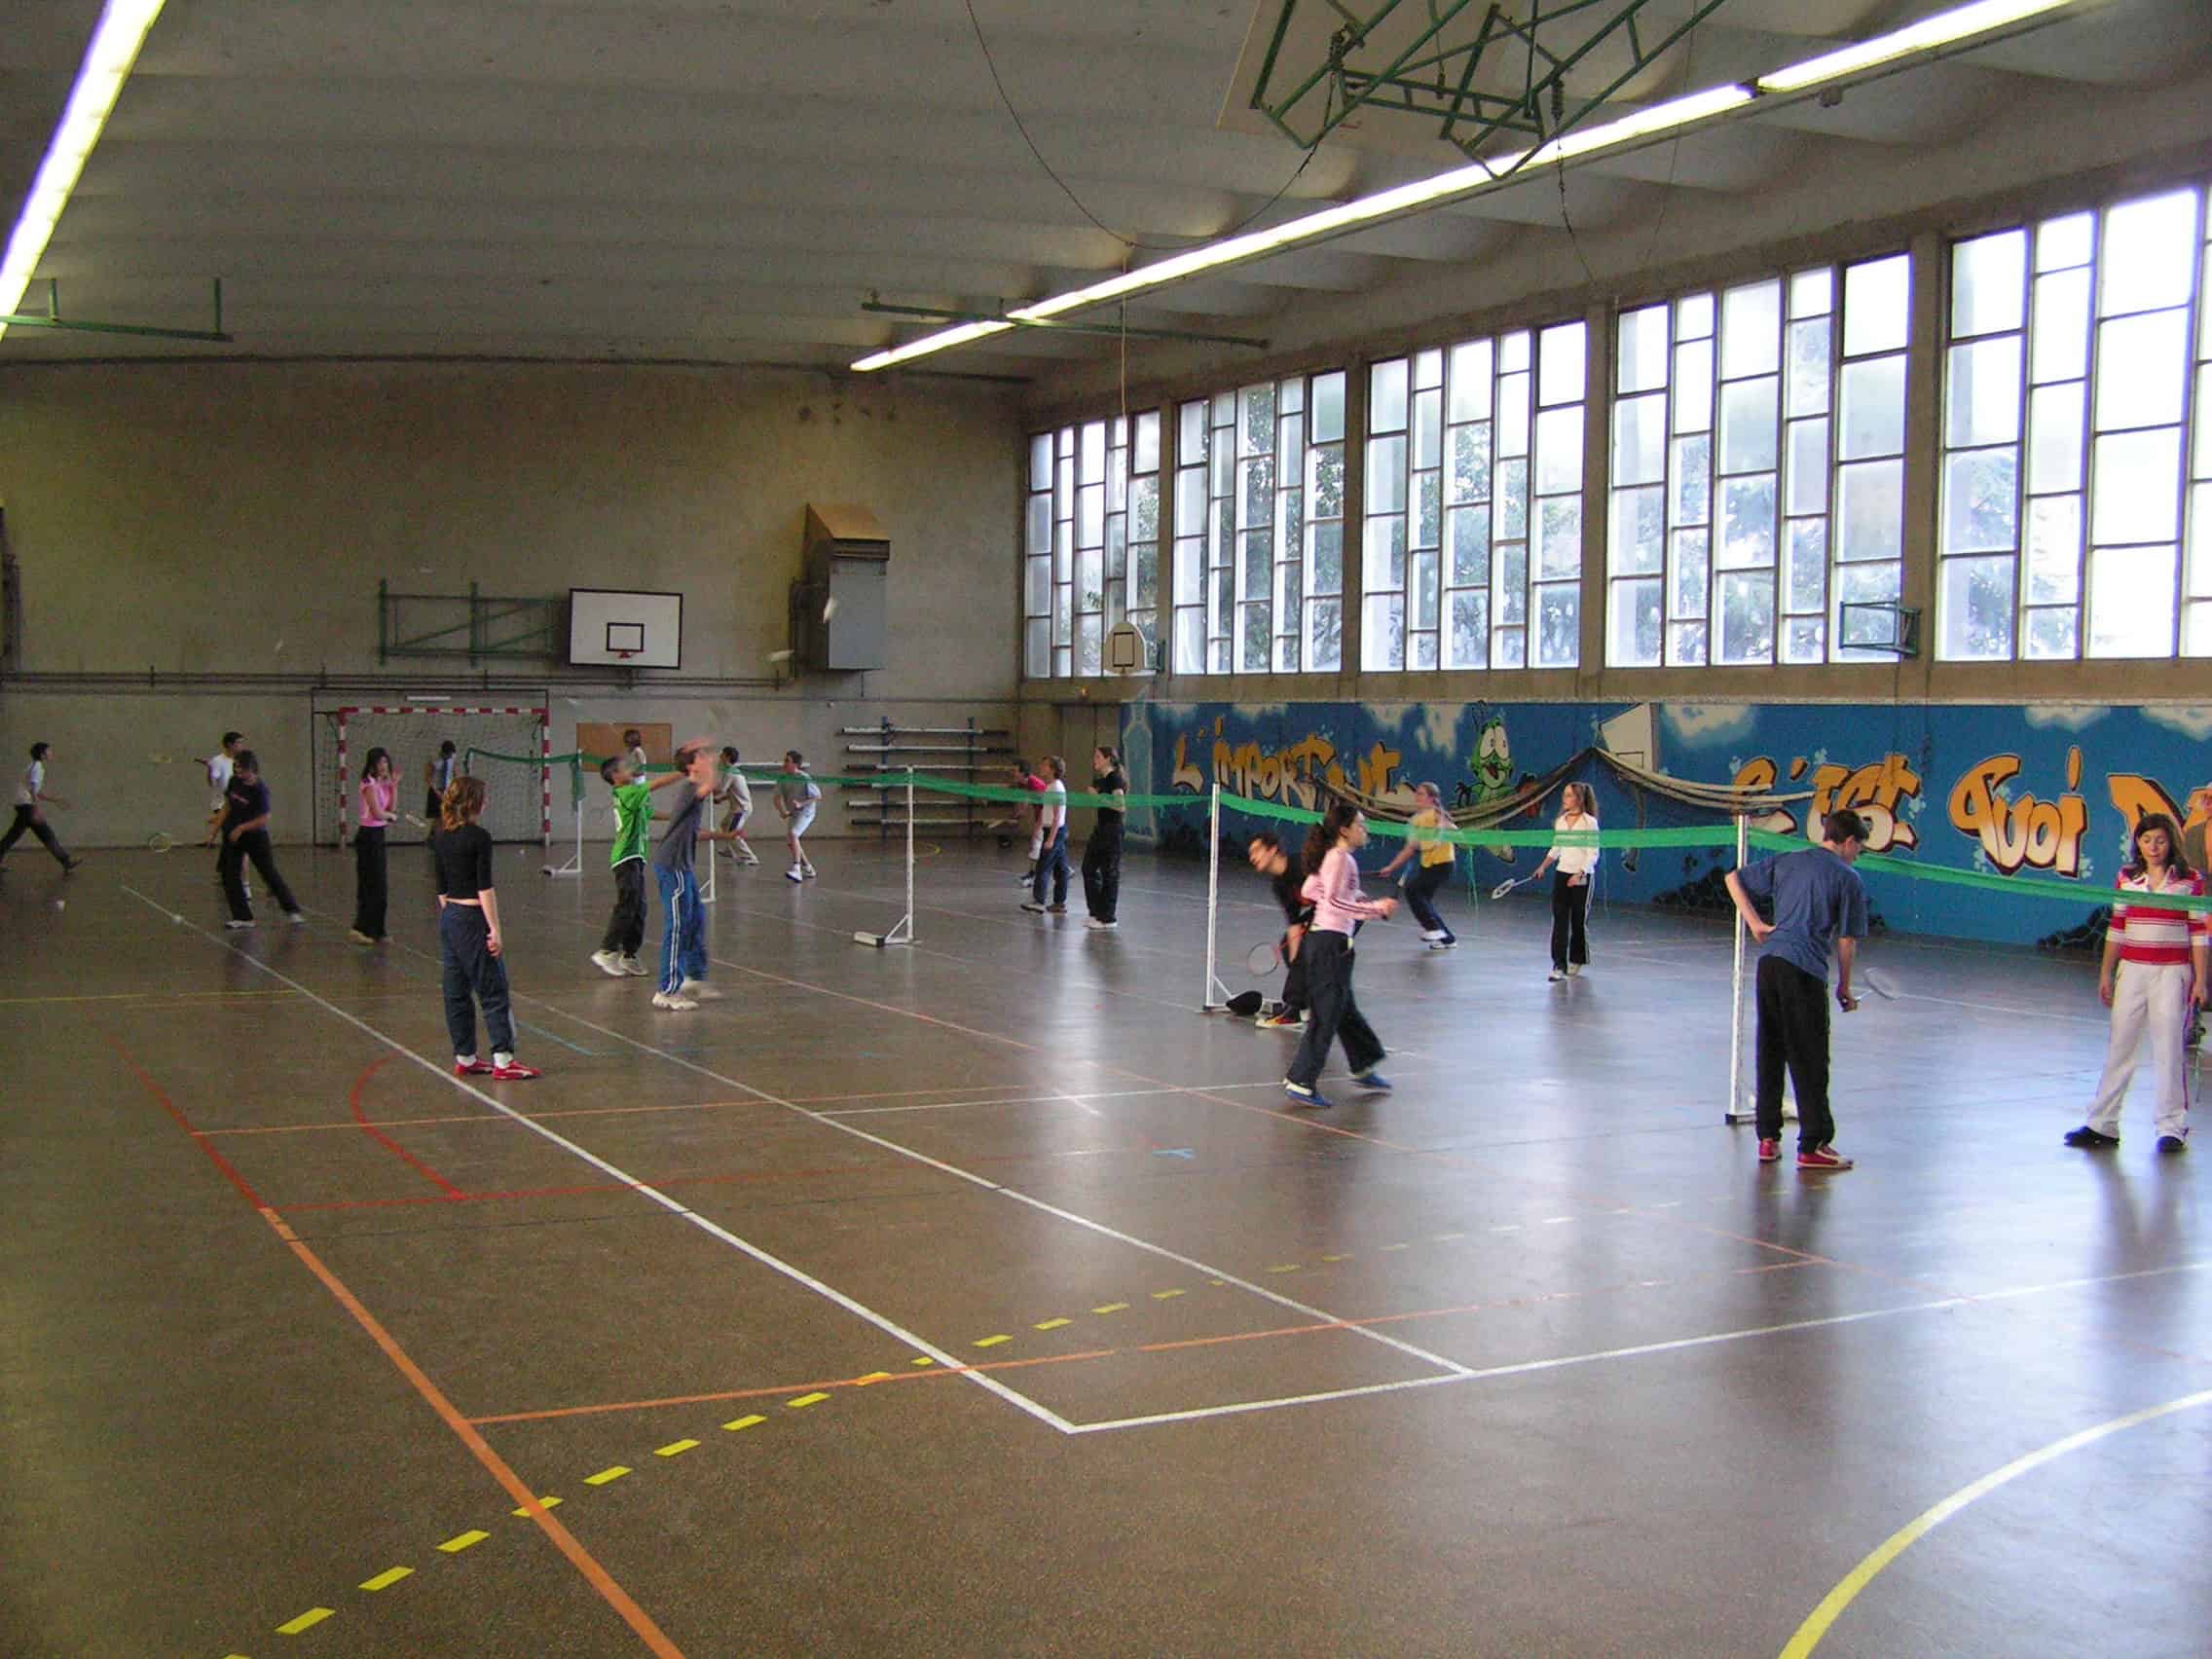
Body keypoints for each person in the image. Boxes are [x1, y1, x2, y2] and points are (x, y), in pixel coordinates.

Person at [1723, 808, 1870, 1171]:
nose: (1857, 856)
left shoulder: (1789, 859)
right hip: (1803, 971)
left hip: (1770, 965)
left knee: (1771, 1050)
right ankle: (1813, 1144)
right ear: (1849, 841)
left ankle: (1768, 1138)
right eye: (1859, 849)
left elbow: (1733, 879)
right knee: (1810, 1057)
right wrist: (1844, 987)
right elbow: (1847, 940)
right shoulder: (1847, 878)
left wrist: (1756, 924)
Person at [2064, 812, 2206, 1156]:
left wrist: (2201, 979)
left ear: (2171, 841)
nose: (2153, 847)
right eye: (2146, 840)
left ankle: (2171, 1128)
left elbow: (2199, 933)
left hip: (2172, 972)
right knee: (2120, 1047)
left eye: (2160, 839)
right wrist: (2106, 972)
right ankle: (2103, 1123)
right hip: (2133, 970)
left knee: (2169, 1048)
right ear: (2138, 844)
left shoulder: (2190, 881)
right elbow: (2117, 927)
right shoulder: (2127, 878)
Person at [1283, 799, 1397, 1108]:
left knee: (1344, 1009)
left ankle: (1362, 1064)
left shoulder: (1338, 859)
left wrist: (1357, 897)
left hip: (1332, 944)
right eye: (1361, 824)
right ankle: (1301, 1081)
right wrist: (1375, 909)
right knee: (1327, 1014)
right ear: (1345, 830)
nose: (1365, 829)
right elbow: (1333, 903)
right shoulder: (1340, 859)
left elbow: (1310, 890)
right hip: (1329, 945)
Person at [430, 774, 539, 1082]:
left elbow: (440, 888)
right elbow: (484, 888)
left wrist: (452, 919)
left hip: (449, 917)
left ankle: (465, 1056)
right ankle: (504, 1060)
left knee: (456, 991)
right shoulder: (479, 838)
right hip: (472, 919)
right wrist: (494, 929)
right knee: (493, 990)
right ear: (474, 803)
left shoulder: (439, 836)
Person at [653, 742, 736, 1010]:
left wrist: (725, 836)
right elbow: (710, 786)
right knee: (676, 925)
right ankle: (666, 991)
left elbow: (694, 832)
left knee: (695, 919)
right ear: (691, 767)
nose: (706, 760)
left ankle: (694, 978)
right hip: (672, 866)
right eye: (699, 758)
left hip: (683, 867)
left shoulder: (691, 792)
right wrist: (709, 756)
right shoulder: (690, 789)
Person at [590, 753, 687, 977]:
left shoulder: (633, 795)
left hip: (636, 857)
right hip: (625, 858)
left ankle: (629, 954)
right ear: (615, 776)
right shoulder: (626, 792)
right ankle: (607, 950)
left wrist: (677, 816)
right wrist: (684, 772)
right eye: (625, 768)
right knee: (627, 904)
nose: (630, 769)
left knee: (639, 907)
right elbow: (656, 784)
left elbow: (650, 812)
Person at [217, 750, 303, 928]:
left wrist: (242, 828)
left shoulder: (260, 790)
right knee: (229, 874)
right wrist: (215, 829)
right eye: (236, 768)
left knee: (268, 872)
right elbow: (227, 805)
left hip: (255, 836)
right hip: (233, 835)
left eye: (241, 769)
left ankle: (292, 909)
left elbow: (264, 818)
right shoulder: (235, 782)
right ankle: (243, 917)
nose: (238, 772)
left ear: (251, 769)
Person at [1380, 781, 1457, 950]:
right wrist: (1391, 867)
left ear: (1432, 798)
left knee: (1413, 890)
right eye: (1417, 793)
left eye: (1421, 794)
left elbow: (1456, 832)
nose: (1417, 796)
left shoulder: (1437, 814)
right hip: (1428, 865)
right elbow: (1409, 849)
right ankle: (1447, 939)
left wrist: (1443, 827)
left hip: (1443, 864)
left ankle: (1434, 929)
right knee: (1423, 901)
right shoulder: (1415, 820)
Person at [1534, 781, 1599, 981]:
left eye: (1569, 796)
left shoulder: (1589, 823)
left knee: (1578, 920)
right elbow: (1557, 847)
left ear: (1579, 799)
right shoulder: (1560, 821)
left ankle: (1577, 958)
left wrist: (1580, 873)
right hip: (1562, 874)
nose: (1564, 799)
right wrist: (1544, 865)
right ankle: (1558, 965)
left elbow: (1593, 853)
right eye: (1564, 795)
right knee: (1559, 920)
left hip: (1582, 877)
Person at [1248, 830, 1311, 1031]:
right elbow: (1293, 925)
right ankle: (1306, 1004)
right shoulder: (1279, 884)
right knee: (1290, 948)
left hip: (1344, 911)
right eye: (1251, 853)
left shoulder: (1301, 865)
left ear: (1273, 850)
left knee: (1316, 949)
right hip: (1319, 916)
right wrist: (1295, 965)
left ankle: (1295, 1008)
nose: (1252, 857)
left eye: (1257, 850)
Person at [1, 742, 82, 872]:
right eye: (49, 751)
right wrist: (36, 809)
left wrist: (54, 799)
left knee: (15, 835)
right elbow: (33, 790)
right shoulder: (37, 767)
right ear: (42, 754)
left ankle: (66, 861)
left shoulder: (33, 766)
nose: (51, 753)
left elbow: (35, 791)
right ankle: (66, 861)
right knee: (45, 834)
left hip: (23, 805)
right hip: (27, 806)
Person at [349, 747, 396, 944]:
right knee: (369, 884)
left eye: (385, 762)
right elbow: (378, 813)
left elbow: (391, 808)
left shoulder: (381, 784)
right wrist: (391, 817)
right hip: (368, 836)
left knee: (381, 886)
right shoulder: (368, 784)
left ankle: (378, 929)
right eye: (380, 763)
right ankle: (361, 928)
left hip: (379, 835)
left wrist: (393, 786)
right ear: (372, 764)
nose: (383, 766)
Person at [1082, 746, 1128, 930]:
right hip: (1101, 829)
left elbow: (1120, 805)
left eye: (1098, 756)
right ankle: (1096, 912)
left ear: (1108, 759)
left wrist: (1098, 797)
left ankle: (1108, 917)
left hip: (1112, 830)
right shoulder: (1100, 780)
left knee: (1109, 873)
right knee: (1089, 868)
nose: (1094, 759)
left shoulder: (1114, 778)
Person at [1022, 756, 1070, 914]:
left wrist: (1050, 839)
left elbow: (1057, 816)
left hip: (1055, 832)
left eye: (1044, 765)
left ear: (1053, 769)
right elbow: (1046, 811)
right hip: (1052, 830)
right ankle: (1059, 902)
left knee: (1043, 866)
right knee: (1061, 869)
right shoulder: (1050, 787)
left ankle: (1039, 901)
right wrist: (1039, 827)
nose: (1041, 767)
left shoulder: (1056, 788)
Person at [775, 750, 820, 883]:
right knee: (791, 841)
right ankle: (808, 868)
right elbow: (776, 798)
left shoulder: (804, 778)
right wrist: (782, 811)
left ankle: (797, 869)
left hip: (806, 812)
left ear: (795, 764)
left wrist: (801, 803)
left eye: (787, 761)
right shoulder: (783, 778)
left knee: (794, 835)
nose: (784, 763)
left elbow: (817, 796)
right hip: (793, 812)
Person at [715, 747, 760, 866]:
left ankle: (750, 857)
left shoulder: (731, 772)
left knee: (732, 832)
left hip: (741, 809)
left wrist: (705, 789)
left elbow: (720, 790)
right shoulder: (731, 771)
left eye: (722, 755)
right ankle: (730, 850)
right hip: (736, 808)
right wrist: (719, 798)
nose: (720, 757)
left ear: (728, 757)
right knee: (724, 824)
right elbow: (733, 792)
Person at [1009, 759, 1048, 883]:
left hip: (1048, 817)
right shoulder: (1022, 783)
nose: (1012, 773)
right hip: (1041, 816)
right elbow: (1025, 799)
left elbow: (1045, 808)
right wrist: (1020, 812)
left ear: (1023, 773)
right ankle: (1066, 870)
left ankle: (1031, 875)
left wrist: (1037, 827)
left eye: (1015, 771)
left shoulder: (1035, 785)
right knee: (1050, 849)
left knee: (1036, 844)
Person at [424, 739, 459, 825]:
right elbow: (428, 779)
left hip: (448, 791)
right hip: (436, 791)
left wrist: (454, 789)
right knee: (437, 818)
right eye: (449, 755)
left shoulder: (452, 758)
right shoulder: (434, 761)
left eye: (452, 755)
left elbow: (455, 774)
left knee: (447, 816)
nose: (451, 756)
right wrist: (437, 793)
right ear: (443, 753)